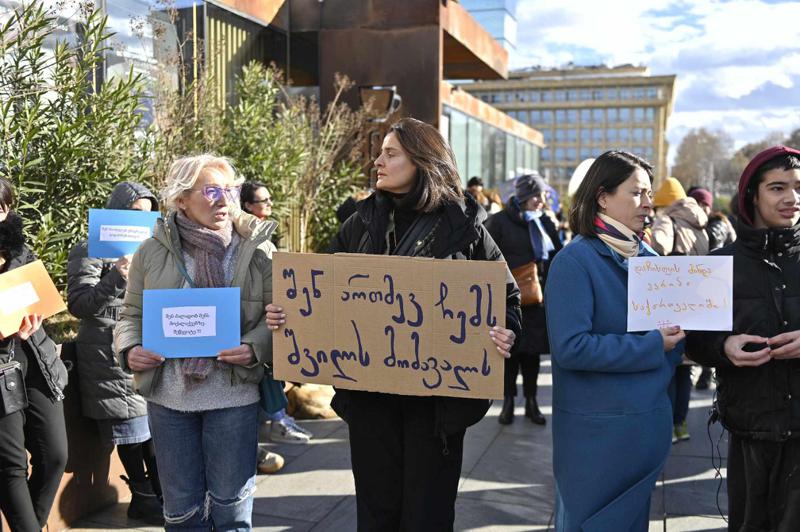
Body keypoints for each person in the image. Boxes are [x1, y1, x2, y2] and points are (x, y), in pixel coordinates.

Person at [267, 118, 521, 531]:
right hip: (372, 406)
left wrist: (506, 330)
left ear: (422, 161)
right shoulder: (359, 223)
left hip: (436, 410)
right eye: (380, 152)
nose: (378, 162)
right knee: (376, 512)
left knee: (428, 515)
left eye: (390, 153)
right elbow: (323, 296)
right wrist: (289, 316)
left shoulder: (466, 227)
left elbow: (507, 299)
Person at [114, 155, 276, 530]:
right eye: (212, 191)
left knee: (232, 512)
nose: (224, 200)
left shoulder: (257, 249)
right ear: (181, 199)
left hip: (233, 397)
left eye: (230, 190)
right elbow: (129, 316)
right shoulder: (151, 251)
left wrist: (255, 346)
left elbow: (280, 319)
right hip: (170, 401)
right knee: (181, 513)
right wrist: (130, 349)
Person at [545, 150, 684, 531]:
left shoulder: (652, 259)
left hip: (645, 424)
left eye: (649, 193)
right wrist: (654, 345)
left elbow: (672, 343)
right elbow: (571, 347)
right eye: (637, 192)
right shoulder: (574, 261)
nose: (647, 203)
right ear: (602, 196)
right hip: (595, 436)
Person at [687, 145, 800, 531]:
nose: (792, 198)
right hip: (750, 427)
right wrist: (722, 347)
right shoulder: (719, 264)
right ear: (752, 194)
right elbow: (694, 338)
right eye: (778, 188)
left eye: (799, 187)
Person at [66, 182, 162, 522]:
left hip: (147, 343)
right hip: (107, 351)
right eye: (136, 213)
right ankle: (143, 496)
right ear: (117, 210)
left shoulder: (152, 249)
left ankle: (163, 494)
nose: (142, 221)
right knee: (131, 427)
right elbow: (79, 305)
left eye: (149, 215)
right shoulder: (90, 248)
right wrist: (117, 277)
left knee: (154, 428)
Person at [0, 177, 68, 531]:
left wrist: (34, 318)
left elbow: (38, 295)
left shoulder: (19, 250)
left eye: (1, 207)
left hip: (36, 360)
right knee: (11, 466)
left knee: (55, 455)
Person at [240, 181, 311, 474]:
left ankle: (276, 421)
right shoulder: (238, 241)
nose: (269, 205)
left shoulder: (263, 239)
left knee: (268, 379)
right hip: (247, 328)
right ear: (246, 206)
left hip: (265, 327)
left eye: (270, 200)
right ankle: (269, 430)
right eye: (263, 201)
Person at [485, 172, 562, 425]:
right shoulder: (499, 222)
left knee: (532, 355)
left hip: (536, 301)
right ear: (524, 196)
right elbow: (486, 257)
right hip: (507, 299)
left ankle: (532, 401)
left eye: (543, 196)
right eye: (537, 196)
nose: (541, 201)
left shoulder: (544, 222)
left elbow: (557, 257)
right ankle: (508, 401)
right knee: (510, 354)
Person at [650, 177, 708, 443]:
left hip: (671, 296)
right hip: (696, 299)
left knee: (670, 365)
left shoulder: (667, 219)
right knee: (686, 367)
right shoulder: (699, 221)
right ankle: (681, 424)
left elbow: (656, 248)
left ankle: (667, 424)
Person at [686, 186, 736, 391]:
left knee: (711, 330)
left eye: (705, 204)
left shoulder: (715, 225)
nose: (702, 208)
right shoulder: (708, 224)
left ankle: (706, 375)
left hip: (715, 283)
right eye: (699, 204)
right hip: (713, 283)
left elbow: (713, 256)